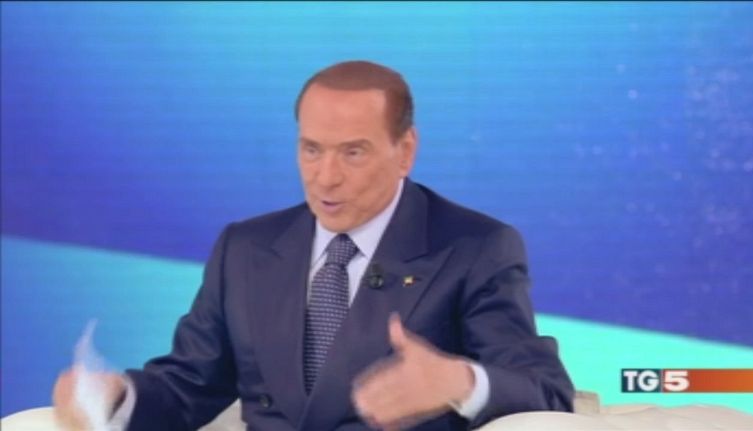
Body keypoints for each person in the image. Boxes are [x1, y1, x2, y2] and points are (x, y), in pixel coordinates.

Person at [53, 60, 574, 430]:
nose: (325, 178)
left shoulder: (474, 247)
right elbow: (190, 382)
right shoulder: (246, 248)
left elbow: (546, 392)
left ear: (405, 150)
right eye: (311, 150)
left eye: (353, 153)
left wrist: (460, 381)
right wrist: (116, 396)